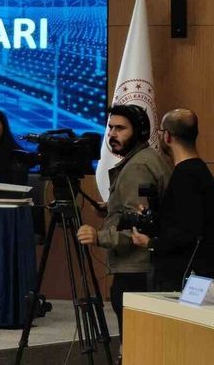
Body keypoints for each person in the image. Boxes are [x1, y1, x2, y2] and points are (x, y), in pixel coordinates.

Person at [77, 104, 171, 343]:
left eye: (120, 128)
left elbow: (141, 226)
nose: (112, 134)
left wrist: (99, 237)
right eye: (110, 128)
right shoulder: (144, 158)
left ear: (139, 132)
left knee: (135, 343)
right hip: (143, 268)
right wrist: (112, 207)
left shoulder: (137, 166)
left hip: (136, 270)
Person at [131, 109, 214, 291]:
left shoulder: (185, 176)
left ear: (167, 136)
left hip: (180, 278)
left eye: (160, 132)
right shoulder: (199, 171)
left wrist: (150, 243)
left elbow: (188, 230)